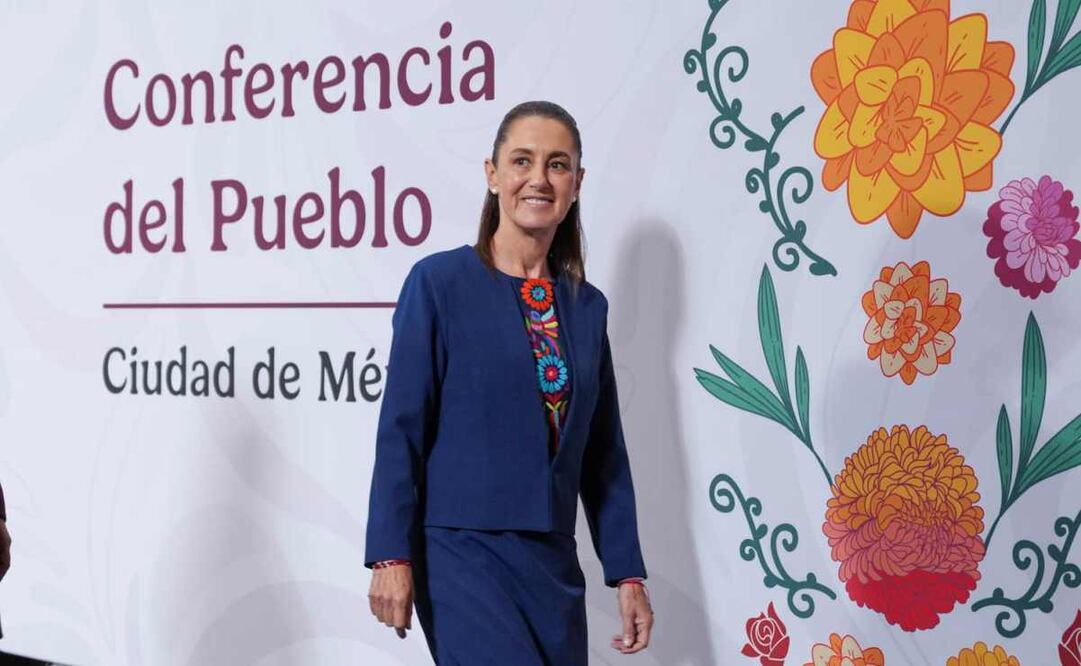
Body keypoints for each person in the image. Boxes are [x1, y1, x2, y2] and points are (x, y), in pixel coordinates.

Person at [364, 100, 652, 664]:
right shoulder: (439, 283)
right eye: (521, 161)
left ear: (577, 183)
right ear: (492, 174)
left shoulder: (587, 308)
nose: (538, 179)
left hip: (552, 563)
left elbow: (603, 454)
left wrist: (628, 572)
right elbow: (401, 428)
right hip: (460, 554)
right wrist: (389, 556)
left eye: (557, 164)